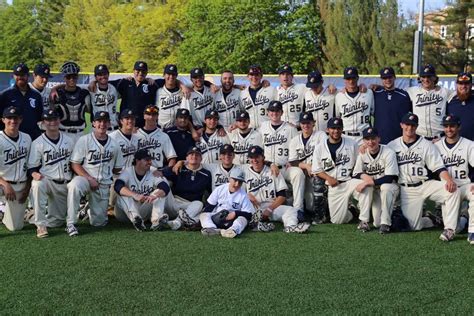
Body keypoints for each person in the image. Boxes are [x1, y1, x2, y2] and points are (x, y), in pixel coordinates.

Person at [387, 112, 460, 241]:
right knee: (414, 226)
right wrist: (365, 146)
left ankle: (449, 228)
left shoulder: (426, 144)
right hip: (407, 190)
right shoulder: (392, 145)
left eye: (413, 125)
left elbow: (438, 167)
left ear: (417, 127)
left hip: (425, 184)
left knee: (453, 191)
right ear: (401, 125)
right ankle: (432, 219)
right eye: (407, 125)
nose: (410, 128)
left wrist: (449, 180)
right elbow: (379, 154)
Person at [66, 111, 124, 236]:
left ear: (109, 123)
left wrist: (107, 175)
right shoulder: (84, 140)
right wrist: (89, 178)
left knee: (99, 223)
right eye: (99, 121)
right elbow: (75, 164)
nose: (102, 124)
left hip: (103, 184)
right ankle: (71, 223)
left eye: (105, 121)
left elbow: (117, 168)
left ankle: (87, 209)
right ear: (93, 123)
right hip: (85, 178)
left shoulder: (114, 144)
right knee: (74, 186)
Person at [311, 117, 373, 227]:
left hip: (349, 181)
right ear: (327, 130)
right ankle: (352, 211)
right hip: (334, 186)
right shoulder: (320, 147)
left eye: (338, 128)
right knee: (337, 220)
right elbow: (316, 170)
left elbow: (360, 161)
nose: (336, 131)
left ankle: (364, 220)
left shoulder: (351, 144)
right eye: (333, 128)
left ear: (342, 129)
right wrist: (328, 178)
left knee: (366, 186)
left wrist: (364, 147)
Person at [28, 109, 74, 238]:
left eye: (54, 119)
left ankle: (32, 216)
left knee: (57, 222)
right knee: (37, 184)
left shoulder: (69, 141)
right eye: (48, 120)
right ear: (43, 123)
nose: (52, 122)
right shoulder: (37, 143)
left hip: (65, 183)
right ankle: (40, 225)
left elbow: (75, 163)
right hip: (47, 180)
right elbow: (31, 167)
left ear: (59, 120)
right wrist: (34, 174)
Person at [242, 146, 310, 233]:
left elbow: (282, 196)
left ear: (263, 157)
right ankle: (256, 224)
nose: (254, 160)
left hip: (272, 207)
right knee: (244, 213)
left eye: (257, 157)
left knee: (291, 210)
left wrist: (269, 209)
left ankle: (291, 227)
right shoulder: (244, 172)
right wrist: (246, 195)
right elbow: (237, 191)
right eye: (252, 157)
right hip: (254, 209)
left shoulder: (273, 171)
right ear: (248, 159)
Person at [434, 114, 474, 243]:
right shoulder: (437, 146)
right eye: (446, 126)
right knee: (457, 227)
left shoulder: (469, 144)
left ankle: (472, 231)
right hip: (448, 189)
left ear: (459, 127)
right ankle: (463, 219)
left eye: (452, 126)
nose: (449, 129)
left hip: (465, 185)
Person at [259, 100, 305, 212]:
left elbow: (297, 147)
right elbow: (259, 151)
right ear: (268, 112)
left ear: (282, 112)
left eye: (277, 111)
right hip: (268, 169)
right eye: (272, 111)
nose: (274, 113)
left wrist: (292, 161)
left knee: (298, 174)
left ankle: (298, 209)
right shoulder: (263, 127)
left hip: (285, 168)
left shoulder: (290, 128)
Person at [352, 127, 399, 234]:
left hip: (390, 188)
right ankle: (363, 221)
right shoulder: (362, 154)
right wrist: (365, 177)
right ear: (363, 141)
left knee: (385, 187)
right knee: (377, 223)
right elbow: (355, 173)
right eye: (367, 139)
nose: (370, 142)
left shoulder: (388, 152)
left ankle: (386, 223)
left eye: (373, 138)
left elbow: (390, 177)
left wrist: (368, 182)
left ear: (379, 139)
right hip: (375, 190)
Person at [114, 149, 172, 231]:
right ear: (137, 161)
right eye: (147, 160)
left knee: (158, 193)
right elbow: (117, 186)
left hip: (142, 212)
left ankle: (156, 222)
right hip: (123, 214)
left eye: (150, 160)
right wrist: (134, 195)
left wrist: (154, 195)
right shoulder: (128, 171)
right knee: (123, 194)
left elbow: (165, 187)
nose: (150, 162)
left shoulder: (153, 171)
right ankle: (135, 218)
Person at [288, 112, 327, 222]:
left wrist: (314, 167)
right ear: (300, 124)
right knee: (309, 206)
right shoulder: (295, 140)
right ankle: (299, 209)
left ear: (313, 123)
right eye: (303, 123)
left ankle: (321, 212)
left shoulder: (320, 135)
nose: (306, 126)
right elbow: (293, 161)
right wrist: (306, 165)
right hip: (303, 173)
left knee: (312, 206)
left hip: (317, 173)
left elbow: (324, 154)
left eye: (308, 123)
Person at [161, 146, 212, 230]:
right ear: (186, 157)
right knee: (163, 184)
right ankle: (157, 219)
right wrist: (180, 162)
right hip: (174, 202)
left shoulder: (206, 174)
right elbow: (162, 172)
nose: (194, 156)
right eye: (191, 154)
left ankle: (177, 222)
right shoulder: (179, 168)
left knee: (199, 204)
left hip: (189, 207)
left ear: (201, 158)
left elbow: (210, 192)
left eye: (197, 155)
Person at [0, 106, 32, 231]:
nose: (13, 121)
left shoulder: (27, 138)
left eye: (16, 118)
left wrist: (27, 187)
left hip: (21, 186)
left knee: (15, 227)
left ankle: (3, 210)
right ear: (3, 120)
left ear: (21, 120)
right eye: (9, 118)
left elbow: (31, 166)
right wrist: (5, 184)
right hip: (3, 184)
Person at [200, 168, 255, 238]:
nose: (237, 184)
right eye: (235, 180)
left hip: (233, 221)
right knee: (204, 215)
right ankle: (212, 229)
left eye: (240, 182)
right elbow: (209, 207)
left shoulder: (243, 194)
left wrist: (236, 213)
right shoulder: (220, 189)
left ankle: (232, 230)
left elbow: (249, 214)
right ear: (229, 179)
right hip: (218, 216)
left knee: (242, 219)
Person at [406, 64, 454, 141]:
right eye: (423, 77)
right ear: (420, 78)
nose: (426, 79)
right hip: (419, 138)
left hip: (439, 137)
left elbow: (461, 93)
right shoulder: (412, 91)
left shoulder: (445, 92)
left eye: (429, 76)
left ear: (434, 78)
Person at [0, 63, 43, 140]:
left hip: (32, 137)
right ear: (13, 76)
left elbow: (39, 117)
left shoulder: (36, 95)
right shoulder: (5, 95)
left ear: (28, 75)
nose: (20, 77)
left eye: (23, 75)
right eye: (17, 75)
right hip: (11, 138)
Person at [53, 61, 91, 144]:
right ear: (64, 77)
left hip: (80, 133)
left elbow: (90, 110)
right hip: (63, 133)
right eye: (68, 77)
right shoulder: (58, 94)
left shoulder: (84, 93)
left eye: (74, 77)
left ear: (77, 77)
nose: (72, 79)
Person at [373, 67, 412, 144]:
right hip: (379, 139)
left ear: (394, 77)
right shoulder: (375, 93)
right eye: (385, 78)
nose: (388, 80)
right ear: (381, 79)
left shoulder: (403, 95)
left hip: (399, 139)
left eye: (390, 77)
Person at [335, 66, 374, 144]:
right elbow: (337, 117)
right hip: (345, 137)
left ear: (357, 78)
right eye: (348, 79)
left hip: (364, 137)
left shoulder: (369, 93)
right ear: (344, 80)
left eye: (353, 78)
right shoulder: (339, 96)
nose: (351, 81)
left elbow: (374, 113)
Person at [136, 105, 177, 169]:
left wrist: (164, 172)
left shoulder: (163, 136)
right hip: (139, 171)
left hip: (156, 172)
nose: (151, 117)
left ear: (157, 116)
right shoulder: (136, 134)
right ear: (144, 116)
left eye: (154, 115)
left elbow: (172, 158)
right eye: (148, 114)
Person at [89, 64, 121, 132]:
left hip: (114, 129)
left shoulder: (115, 87)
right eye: (100, 75)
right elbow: (72, 87)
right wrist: (59, 86)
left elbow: (131, 82)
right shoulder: (91, 89)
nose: (103, 76)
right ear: (95, 77)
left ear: (108, 74)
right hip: (97, 130)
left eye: (105, 74)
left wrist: (148, 79)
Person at [446, 72, 474, 141]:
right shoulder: (450, 102)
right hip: (456, 145)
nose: (463, 86)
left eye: (466, 83)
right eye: (461, 83)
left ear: (471, 85)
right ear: (456, 85)